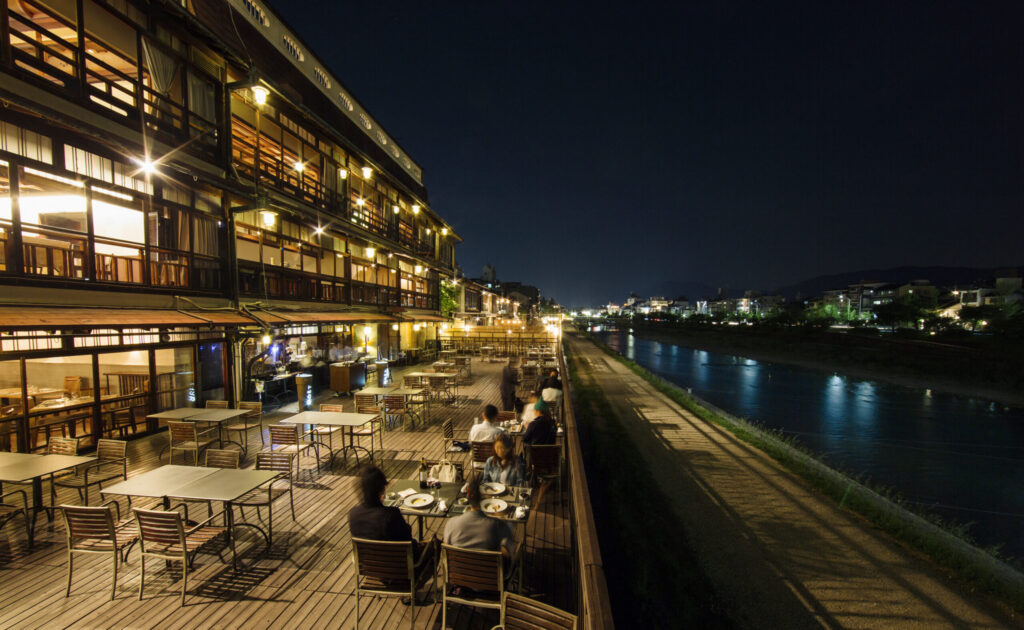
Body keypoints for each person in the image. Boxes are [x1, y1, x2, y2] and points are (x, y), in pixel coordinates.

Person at [347, 465, 437, 562]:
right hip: (402, 569)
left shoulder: (353, 514)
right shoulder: (391, 515)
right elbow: (407, 538)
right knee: (436, 544)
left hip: (369, 568)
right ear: (381, 490)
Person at [443, 472, 514, 559]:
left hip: (458, 571)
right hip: (488, 571)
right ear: (484, 501)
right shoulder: (497, 525)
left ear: (468, 498)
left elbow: (445, 550)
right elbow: (507, 554)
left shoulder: (451, 523)